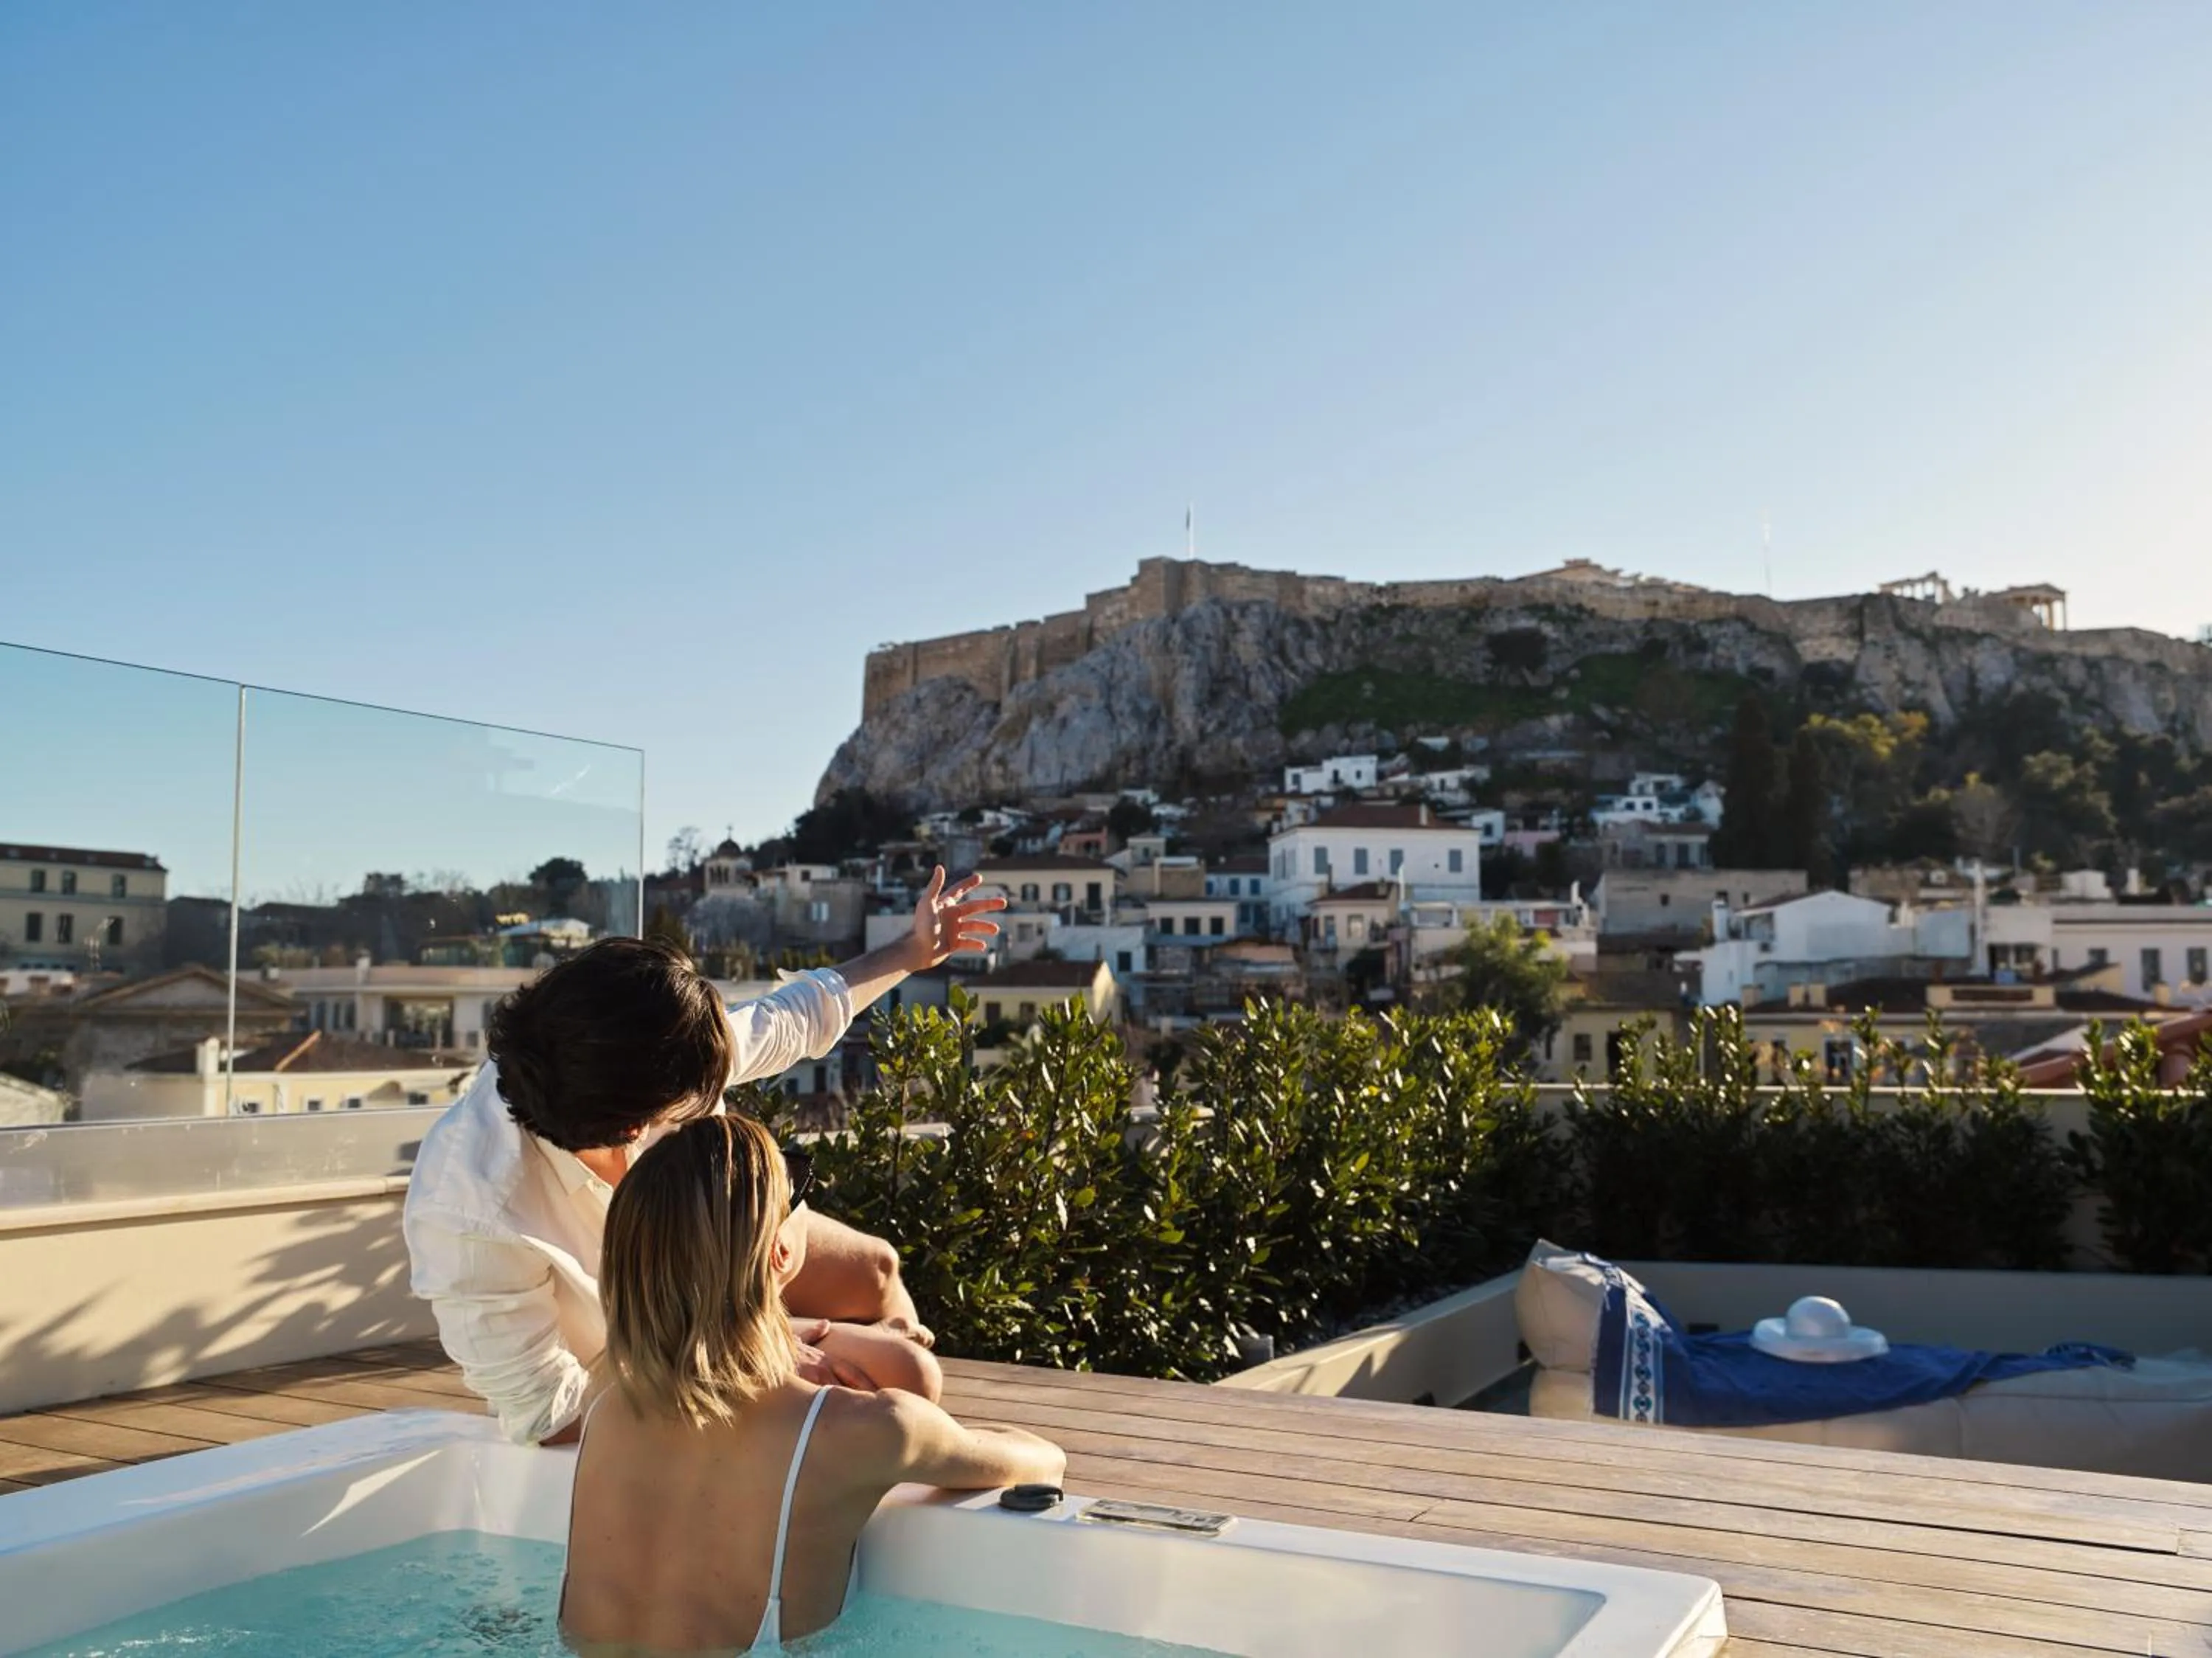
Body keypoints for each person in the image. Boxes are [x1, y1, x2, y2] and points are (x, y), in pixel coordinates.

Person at [403, 867, 1003, 1445]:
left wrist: (910, 950)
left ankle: (894, 1474)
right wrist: (752, 1365)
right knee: (901, 1376)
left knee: (878, 1273)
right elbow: (550, 1415)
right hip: (631, 1374)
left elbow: (788, 1019)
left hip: (721, 1284)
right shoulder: (470, 1210)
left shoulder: (653, 1044)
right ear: (637, 1127)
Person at [561, 1114, 1065, 1654]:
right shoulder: (866, 1431)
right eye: (797, 1184)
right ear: (780, 1252)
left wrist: (804, 1341)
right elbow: (1043, 1460)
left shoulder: (606, 1404)